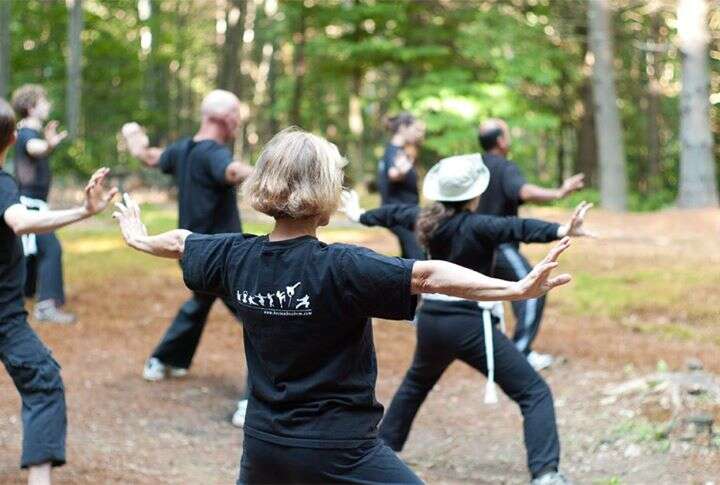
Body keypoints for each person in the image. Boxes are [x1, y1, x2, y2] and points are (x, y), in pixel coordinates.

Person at [112, 128, 572, 484]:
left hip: (263, 445)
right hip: (340, 449)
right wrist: (512, 290)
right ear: (324, 198)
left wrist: (139, 240)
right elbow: (428, 274)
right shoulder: (342, 266)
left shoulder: (234, 255)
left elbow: (182, 242)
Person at [341, 154, 591, 485]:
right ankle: (545, 474)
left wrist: (359, 214)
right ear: (474, 195)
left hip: (431, 319)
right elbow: (518, 228)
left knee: (415, 385)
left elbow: (391, 214)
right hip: (469, 323)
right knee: (534, 391)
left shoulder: (422, 217)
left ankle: (380, 450)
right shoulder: (479, 225)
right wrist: (563, 229)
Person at [0, 97, 118, 485]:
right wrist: (83, 212)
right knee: (43, 382)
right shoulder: (2, 185)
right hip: (4, 317)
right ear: (12, 138)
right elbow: (19, 222)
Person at [121, 90, 253, 406]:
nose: (238, 119)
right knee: (261, 317)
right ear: (223, 118)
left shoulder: (183, 150)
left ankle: (165, 359)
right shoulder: (213, 153)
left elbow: (148, 156)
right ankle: (255, 402)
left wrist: (132, 133)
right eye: (236, 112)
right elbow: (233, 171)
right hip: (224, 257)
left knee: (200, 302)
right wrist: (283, 174)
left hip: (192, 254)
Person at [477, 118, 586, 371]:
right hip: (500, 245)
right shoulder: (505, 167)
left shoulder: (475, 165)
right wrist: (559, 192)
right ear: (501, 141)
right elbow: (524, 192)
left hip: (471, 245)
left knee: (479, 294)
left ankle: (495, 353)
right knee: (532, 291)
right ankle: (520, 353)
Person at [10, 85, 74, 324]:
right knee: (51, 249)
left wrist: (47, 144)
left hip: (33, 204)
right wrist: (49, 145)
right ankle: (47, 306)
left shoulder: (28, 132)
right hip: (29, 205)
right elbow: (34, 149)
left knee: (32, 251)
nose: (48, 105)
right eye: (43, 101)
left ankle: (27, 292)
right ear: (30, 107)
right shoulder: (26, 133)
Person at [376, 112, 426, 260]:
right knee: (419, 259)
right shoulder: (394, 151)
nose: (418, 134)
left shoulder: (398, 151)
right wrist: (401, 170)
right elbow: (393, 173)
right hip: (398, 215)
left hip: (403, 214)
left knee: (408, 258)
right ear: (403, 128)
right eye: (414, 129)